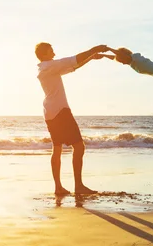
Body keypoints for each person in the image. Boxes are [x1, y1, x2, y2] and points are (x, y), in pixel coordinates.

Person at [35, 42, 109, 195]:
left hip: (49, 112)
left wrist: (91, 57)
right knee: (79, 146)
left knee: (57, 148)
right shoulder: (50, 66)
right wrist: (93, 49)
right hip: (61, 111)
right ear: (44, 55)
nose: (54, 54)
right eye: (51, 51)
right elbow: (72, 60)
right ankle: (79, 186)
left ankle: (58, 188)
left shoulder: (46, 69)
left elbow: (72, 66)